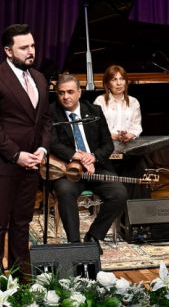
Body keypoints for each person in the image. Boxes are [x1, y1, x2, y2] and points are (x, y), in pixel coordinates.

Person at [0, 23, 51, 277]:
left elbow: (45, 120)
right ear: (8, 51)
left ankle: (22, 276)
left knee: (22, 222)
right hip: (4, 164)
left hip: (32, 163)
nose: (31, 51)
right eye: (24, 47)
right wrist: (16, 155)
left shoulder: (39, 78)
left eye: (33, 46)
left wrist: (42, 148)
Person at [49, 74, 127, 252]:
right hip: (68, 171)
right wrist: (77, 156)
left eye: (70, 92)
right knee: (65, 191)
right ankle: (75, 244)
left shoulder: (94, 111)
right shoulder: (51, 113)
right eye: (61, 93)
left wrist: (93, 157)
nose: (65, 97)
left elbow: (107, 144)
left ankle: (93, 236)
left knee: (119, 193)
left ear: (79, 92)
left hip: (96, 168)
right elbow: (52, 143)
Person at [93, 65, 147, 199]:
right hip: (107, 150)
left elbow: (137, 126)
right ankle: (118, 202)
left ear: (126, 82)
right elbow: (96, 128)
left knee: (140, 165)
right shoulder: (100, 101)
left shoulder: (133, 102)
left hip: (127, 148)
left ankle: (133, 206)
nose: (119, 83)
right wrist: (113, 135)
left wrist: (130, 134)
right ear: (107, 84)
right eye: (114, 79)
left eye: (122, 79)